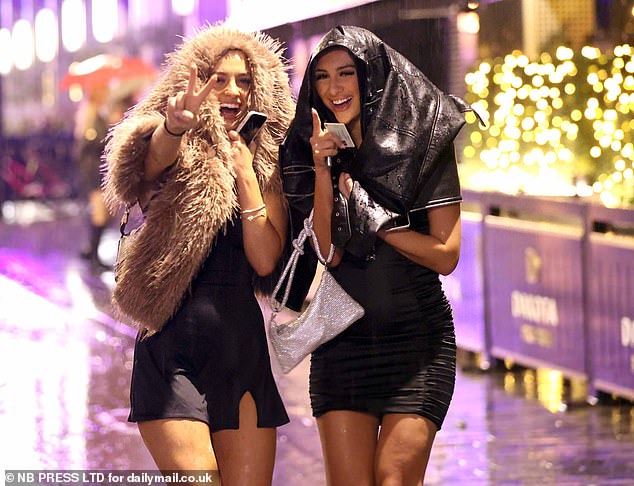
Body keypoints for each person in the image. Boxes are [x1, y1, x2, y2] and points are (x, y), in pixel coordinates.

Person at [279, 25, 474, 485]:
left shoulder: (426, 144)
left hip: (417, 347)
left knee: (394, 479)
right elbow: (328, 253)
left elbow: (446, 255)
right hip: (343, 348)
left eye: (347, 73)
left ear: (373, 77)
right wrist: (324, 171)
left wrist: (379, 222)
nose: (335, 87)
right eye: (323, 76)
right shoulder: (315, 150)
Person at [103, 26, 295, 485]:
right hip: (171, 352)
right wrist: (174, 127)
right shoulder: (173, 143)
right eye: (218, 78)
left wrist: (247, 175)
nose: (232, 91)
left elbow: (266, 261)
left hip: (242, 352)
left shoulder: (265, 163)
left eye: (244, 81)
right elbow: (146, 164)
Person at [74, 84, 112, 271]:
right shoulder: (90, 115)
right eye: (104, 91)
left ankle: (91, 251)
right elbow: (87, 144)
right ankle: (94, 257)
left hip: (99, 170)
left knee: (104, 213)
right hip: (93, 171)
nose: (107, 94)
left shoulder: (99, 114)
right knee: (100, 213)